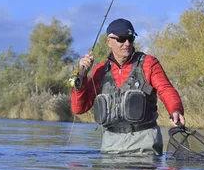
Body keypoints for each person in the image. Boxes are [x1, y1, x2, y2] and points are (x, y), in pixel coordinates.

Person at [71, 18, 184, 155]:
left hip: (145, 142)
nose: (127, 43)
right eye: (122, 39)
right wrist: (81, 75)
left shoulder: (149, 63)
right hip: (110, 144)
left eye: (131, 38)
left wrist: (175, 110)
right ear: (109, 41)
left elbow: (166, 89)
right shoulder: (100, 70)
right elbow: (78, 108)